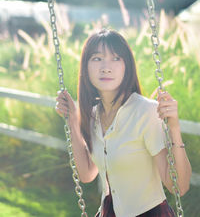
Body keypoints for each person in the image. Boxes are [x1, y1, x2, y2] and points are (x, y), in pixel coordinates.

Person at [55, 28, 192, 217]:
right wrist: (72, 119)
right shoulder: (94, 115)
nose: (106, 67)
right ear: (85, 68)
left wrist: (174, 127)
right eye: (97, 58)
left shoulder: (146, 112)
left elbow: (179, 186)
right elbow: (87, 174)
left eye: (116, 58)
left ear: (127, 66)